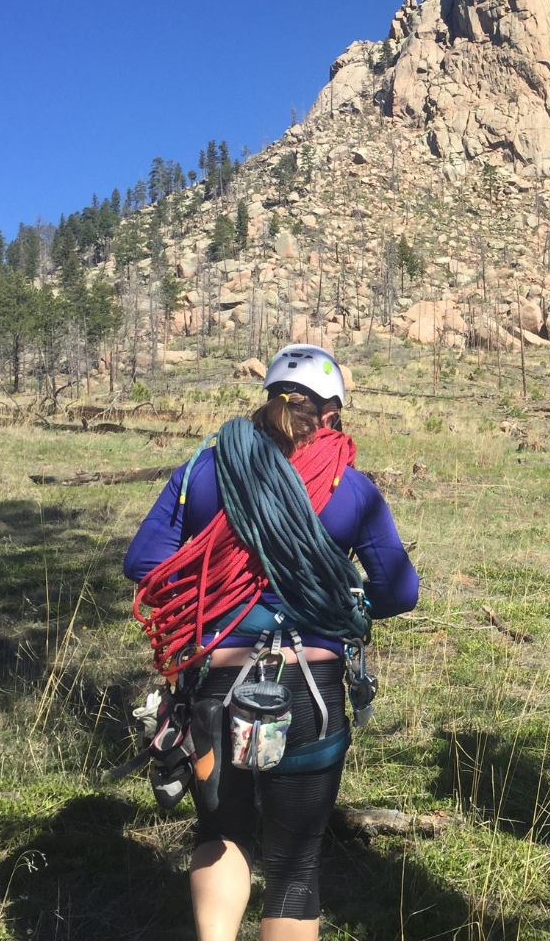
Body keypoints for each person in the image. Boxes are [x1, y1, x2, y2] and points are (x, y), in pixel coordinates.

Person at [124, 344, 419, 941]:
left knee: (222, 832)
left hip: (217, 678)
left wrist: (222, 585)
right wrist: (341, 599)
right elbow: (399, 591)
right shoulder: (353, 489)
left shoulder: (205, 470)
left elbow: (143, 561)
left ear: (267, 400)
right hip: (310, 684)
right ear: (333, 413)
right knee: (293, 862)